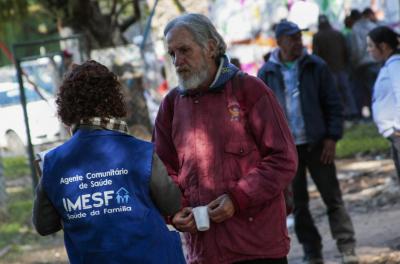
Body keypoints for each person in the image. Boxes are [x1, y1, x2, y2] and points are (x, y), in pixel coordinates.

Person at [153, 13, 297, 264]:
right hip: (204, 250)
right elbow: (162, 172)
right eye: (172, 53)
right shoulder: (172, 105)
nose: (177, 61)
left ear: (210, 47)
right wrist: (175, 212)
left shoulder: (250, 90)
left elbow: (283, 159)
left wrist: (237, 199)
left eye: (184, 50)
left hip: (257, 246)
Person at [32, 60, 185, 263]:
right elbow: (172, 204)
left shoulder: (53, 162)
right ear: (113, 100)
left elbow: (44, 225)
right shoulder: (140, 151)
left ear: (66, 107)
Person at [257, 21, 358, 264]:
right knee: (297, 204)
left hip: (318, 144)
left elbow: (333, 103)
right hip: (286, 151)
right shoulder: (266, 73)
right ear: (279, 42)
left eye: (299, 37)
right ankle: (313, 252)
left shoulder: (316, 66)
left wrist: (332, 137)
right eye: (291, 38)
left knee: (332, 198)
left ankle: (347, 247)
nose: (298, 42)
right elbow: (260, 115)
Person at [367, 26, 400, 183]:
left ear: (384, 46)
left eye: (371, 46)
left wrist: (398, 127)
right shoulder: (388, 65)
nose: (368, 50)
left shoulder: (395, 65)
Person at [313, 15, 358, 120]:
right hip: (340, 67)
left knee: (334, 94)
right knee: (346, 91)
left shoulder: (317, 36)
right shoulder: (338, 34)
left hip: (328, 70)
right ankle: (353, 112)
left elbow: (315, 55)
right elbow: (346, 50)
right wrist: (346, 64)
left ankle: (340, 114)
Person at [350, 7, 380, 119]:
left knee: (366, 91)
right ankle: (377, 114)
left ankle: (372, 115)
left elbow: (356, 49)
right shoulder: (373, 26)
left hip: (363, 63)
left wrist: (354, 62)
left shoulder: (355, 29)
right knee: (376, 89)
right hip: (376, 61)